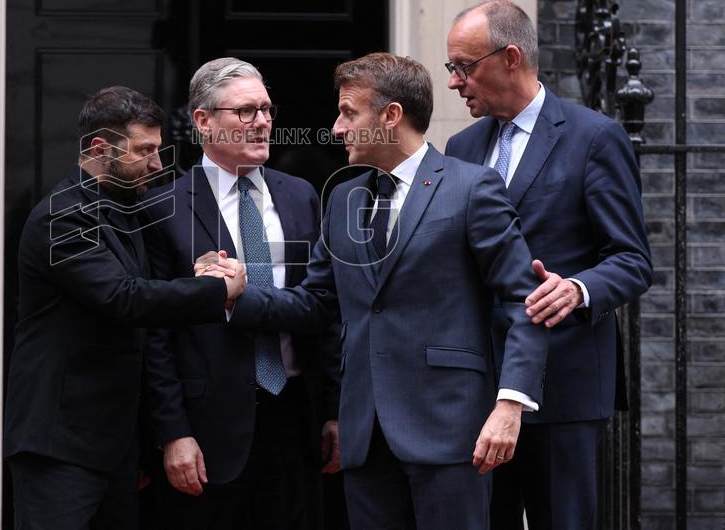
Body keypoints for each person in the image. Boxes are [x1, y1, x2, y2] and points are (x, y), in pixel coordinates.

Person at [217, 53, 550, 529]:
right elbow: (317, 302)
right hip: (365, 434)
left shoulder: (473, 188)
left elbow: (523, 300)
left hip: (452, 429)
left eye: (349, 113)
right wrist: (236, 297)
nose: (336, 128)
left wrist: (510, 404)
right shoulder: (343, 197)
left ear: (391, 116)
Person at [443, 0, 653, 530]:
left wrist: (579, 289)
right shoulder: (460, 147)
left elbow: (631, 259)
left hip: (565, 383)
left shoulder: (594, 136)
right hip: (478, 384)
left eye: (465, 67)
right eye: (452, 68)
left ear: (510, 57)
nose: (455, 82)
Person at [2, 86, 246, 530]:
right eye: (145, 150)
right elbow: (124, 298)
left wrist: (200, 275)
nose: (156, 163)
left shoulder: (124, 211)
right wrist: (217, 291)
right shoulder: (62, 218)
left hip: (115, 445)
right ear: (100, 148)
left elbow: (145, 293)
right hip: (60, 444)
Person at [142, 58, 342, 530]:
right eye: (247, 111)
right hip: (207, 427)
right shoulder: (163, 209)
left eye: (268, 110)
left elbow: (325, 311)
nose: (263, 123)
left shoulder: (301, 196)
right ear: (203, 120)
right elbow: (153, 335)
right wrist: (172, 433)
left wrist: (334, 412)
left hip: (296, 417)